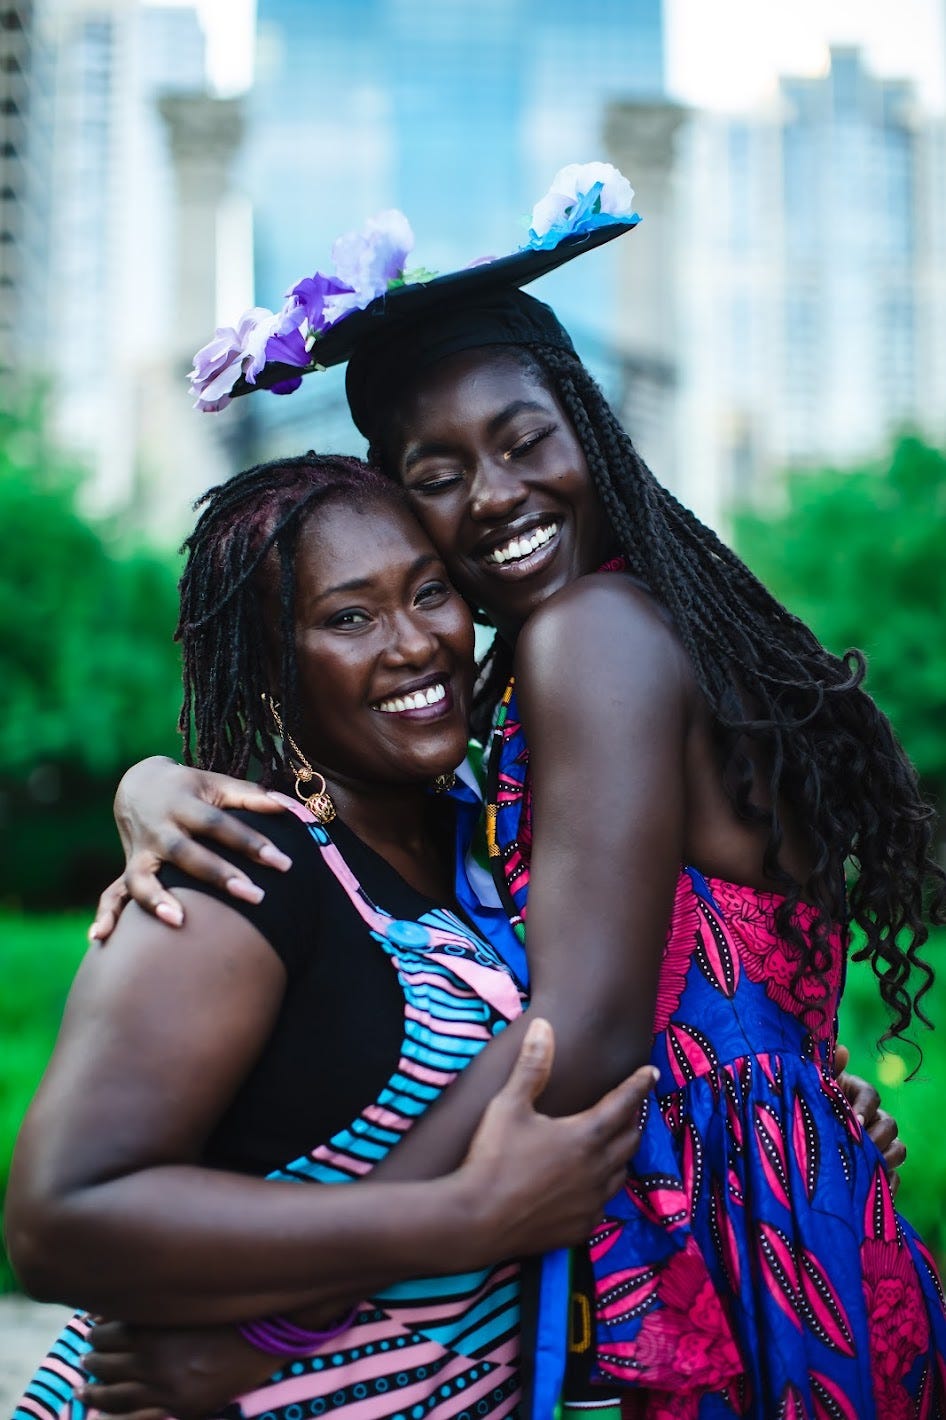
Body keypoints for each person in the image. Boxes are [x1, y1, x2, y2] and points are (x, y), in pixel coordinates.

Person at [84, 166, 945, 1417]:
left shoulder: (588, 636)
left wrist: (277, 1325)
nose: (493, 494)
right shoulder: (646, 634)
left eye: (522, 438)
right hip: (800, 1222)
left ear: (585, 425)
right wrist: (154, 780)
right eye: (433, 471)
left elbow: (584, 1032)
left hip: (718, 1253)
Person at [7, 454, 659, 1420]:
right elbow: (61, 1222)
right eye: (349, 617)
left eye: (429, 592)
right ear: (274, 663)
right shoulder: (241, 869)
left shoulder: (494, 834)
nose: (415, 644)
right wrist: (457, 1220)